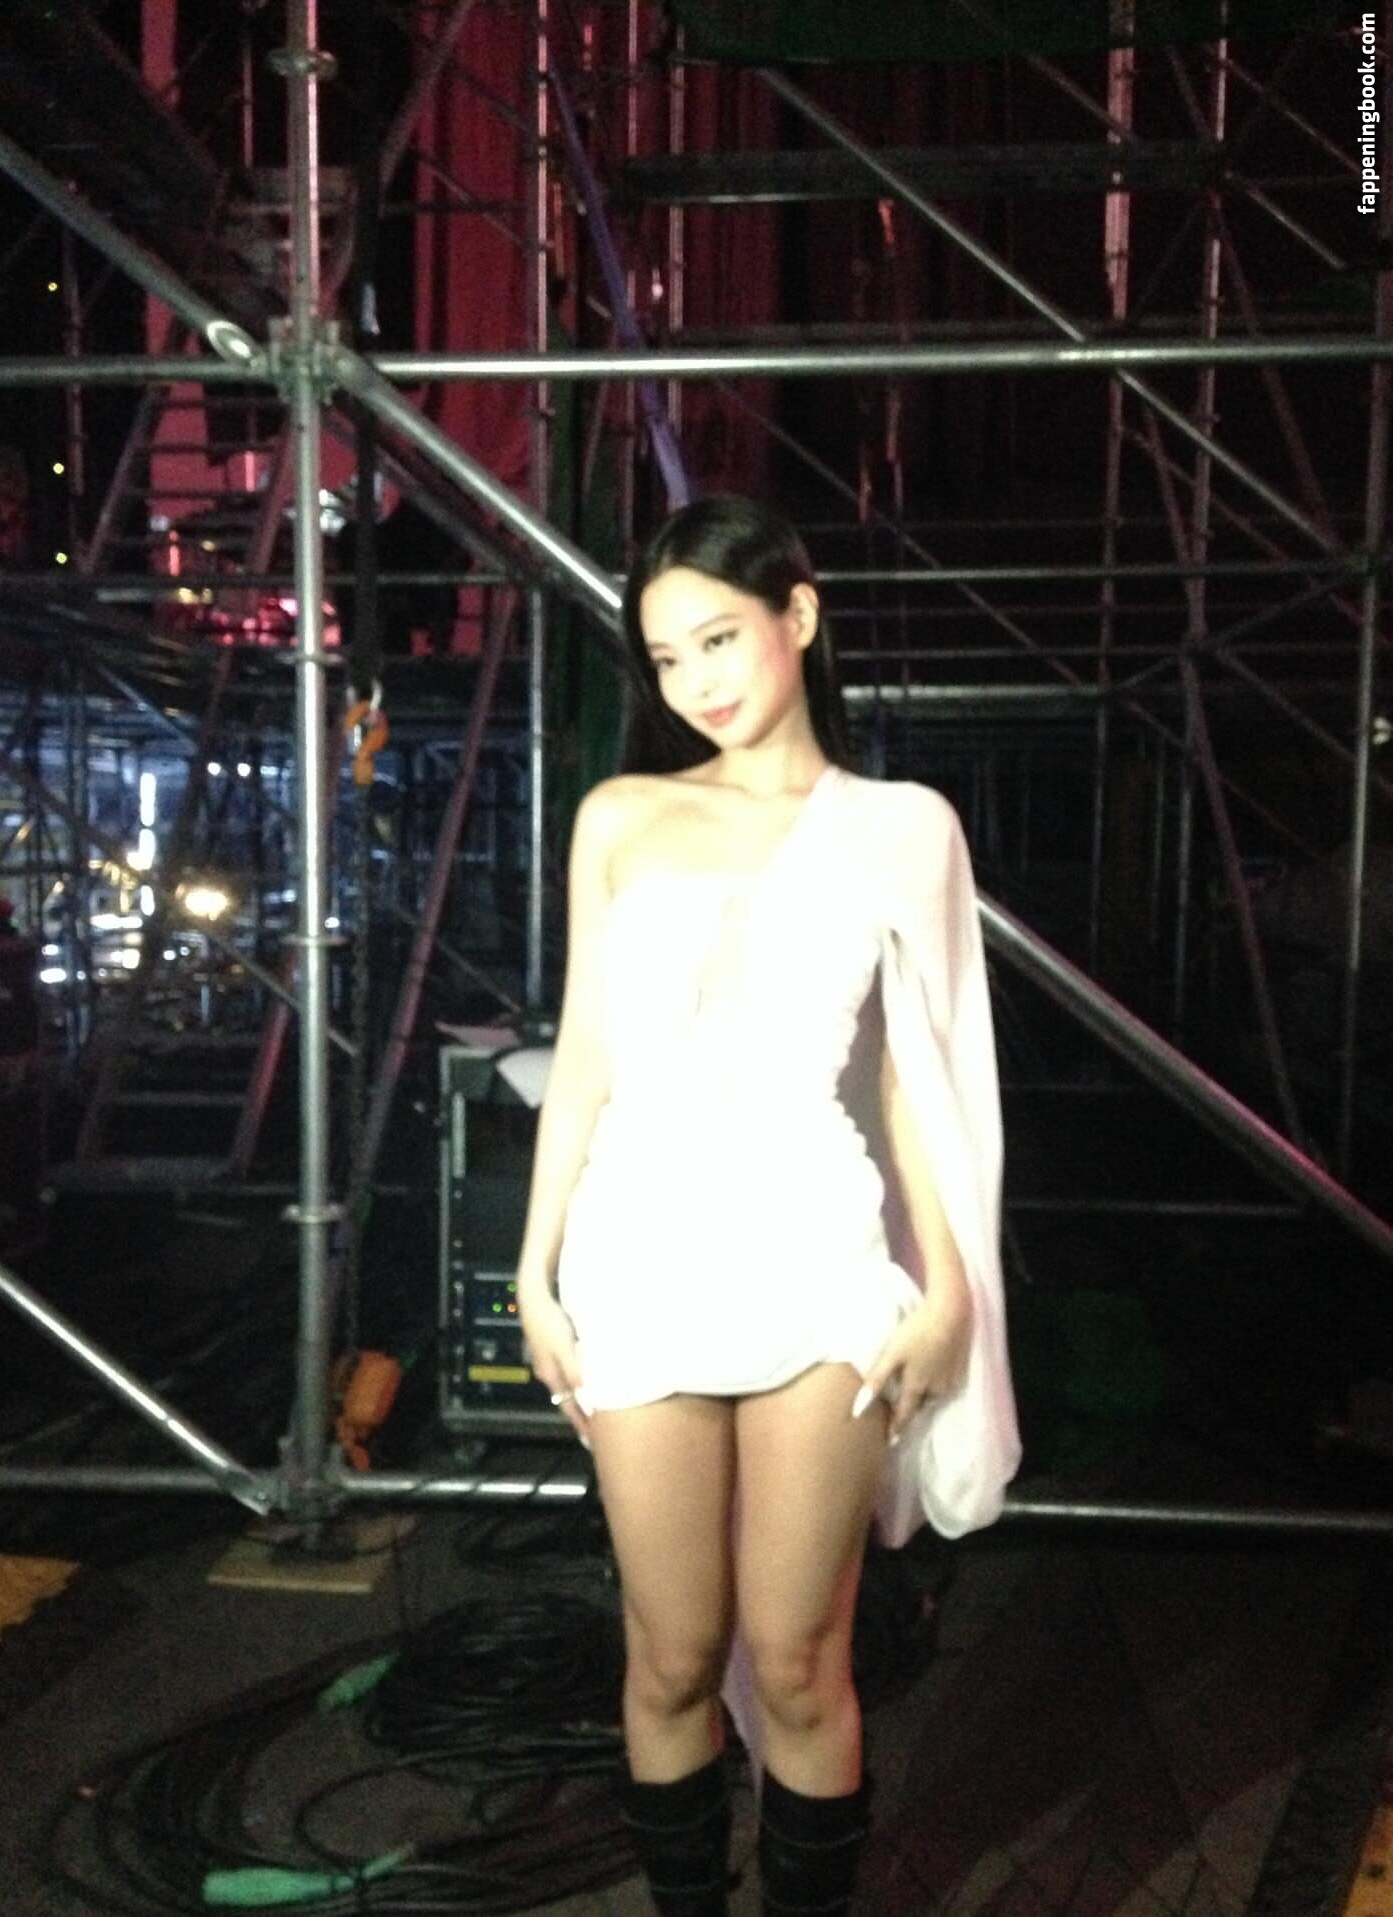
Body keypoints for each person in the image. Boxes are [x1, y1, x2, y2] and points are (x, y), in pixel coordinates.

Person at [515, 494, 1020, 1916]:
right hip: (642, 1256)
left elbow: (921, 1080)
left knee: (800, 1663)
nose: (698, 680)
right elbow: (584, 1055)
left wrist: (949, 1289)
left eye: (721, 637)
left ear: (799, 613)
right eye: (668, 657)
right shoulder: (621, 815)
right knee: (673, 1655)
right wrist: (534, 1270)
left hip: (818, 1256)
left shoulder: (904, 828)